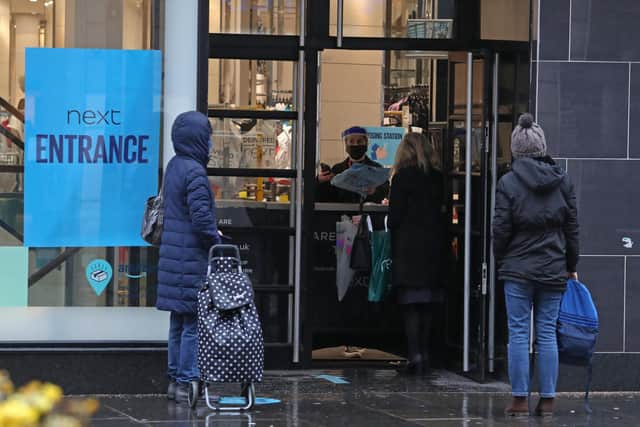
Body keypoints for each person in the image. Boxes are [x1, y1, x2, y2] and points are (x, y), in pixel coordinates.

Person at [493, 113, 579, 417]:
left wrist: (500, 258)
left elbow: (500, 228)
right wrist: (571, 264)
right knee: (546, 332)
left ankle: (518, 399)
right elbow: (572, 227)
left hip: (517, 268)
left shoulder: (508, 182)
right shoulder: (562, 179)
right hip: (554, 266)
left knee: (518, 332)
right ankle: (548, 399)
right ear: (542, 146)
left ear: (516, 149)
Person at [156, 111, 221, 404]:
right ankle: (186, 382)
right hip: (190, 258)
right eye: (207, 137)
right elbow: (201, 217)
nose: (210, 143)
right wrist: (216, 240)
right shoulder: (194, 171)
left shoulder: (174, 166)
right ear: (197, 138)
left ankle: (174, 381)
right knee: (193, 323)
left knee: (178, 323)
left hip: (173, 256)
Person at [388, 132, 445, 375]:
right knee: (427, 304)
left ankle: (415, 355)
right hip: (433, 247)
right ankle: (427, 354)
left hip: (409, 248)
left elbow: (395, 217)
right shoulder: (437, 177)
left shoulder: (402, 177)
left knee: (411, 304)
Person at [316, 126, 389, 203]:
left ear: (366, 144)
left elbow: (385, 192)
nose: (355, 145)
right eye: (351, 141)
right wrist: (320, 182)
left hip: (368, 213)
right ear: (346, 144)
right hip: (342, 213)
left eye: (359, 141)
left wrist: (374, 191)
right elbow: (327, 198)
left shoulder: (377, 168)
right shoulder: (337, 169)